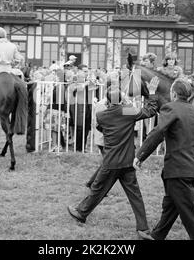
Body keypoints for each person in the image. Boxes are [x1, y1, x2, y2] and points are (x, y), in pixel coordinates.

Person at [67, 77, 160, 240]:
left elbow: (100, 128)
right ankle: (143, 228)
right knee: (135, 195)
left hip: (110, 162)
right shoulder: (128, 111)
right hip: (127, 162)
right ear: (121, 99)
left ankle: (81, 213)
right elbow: (151, 110)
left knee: (97, 189)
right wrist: (151, 92)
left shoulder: (102, 114)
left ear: (107, 100)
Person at [134, 78, 194, 240]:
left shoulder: (170, 108)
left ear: (174, 94)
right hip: (191, 169)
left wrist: (140, 155)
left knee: (191, 215)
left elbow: (158, 132)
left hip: (177, 171)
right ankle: (156, 236)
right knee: (171, 206)